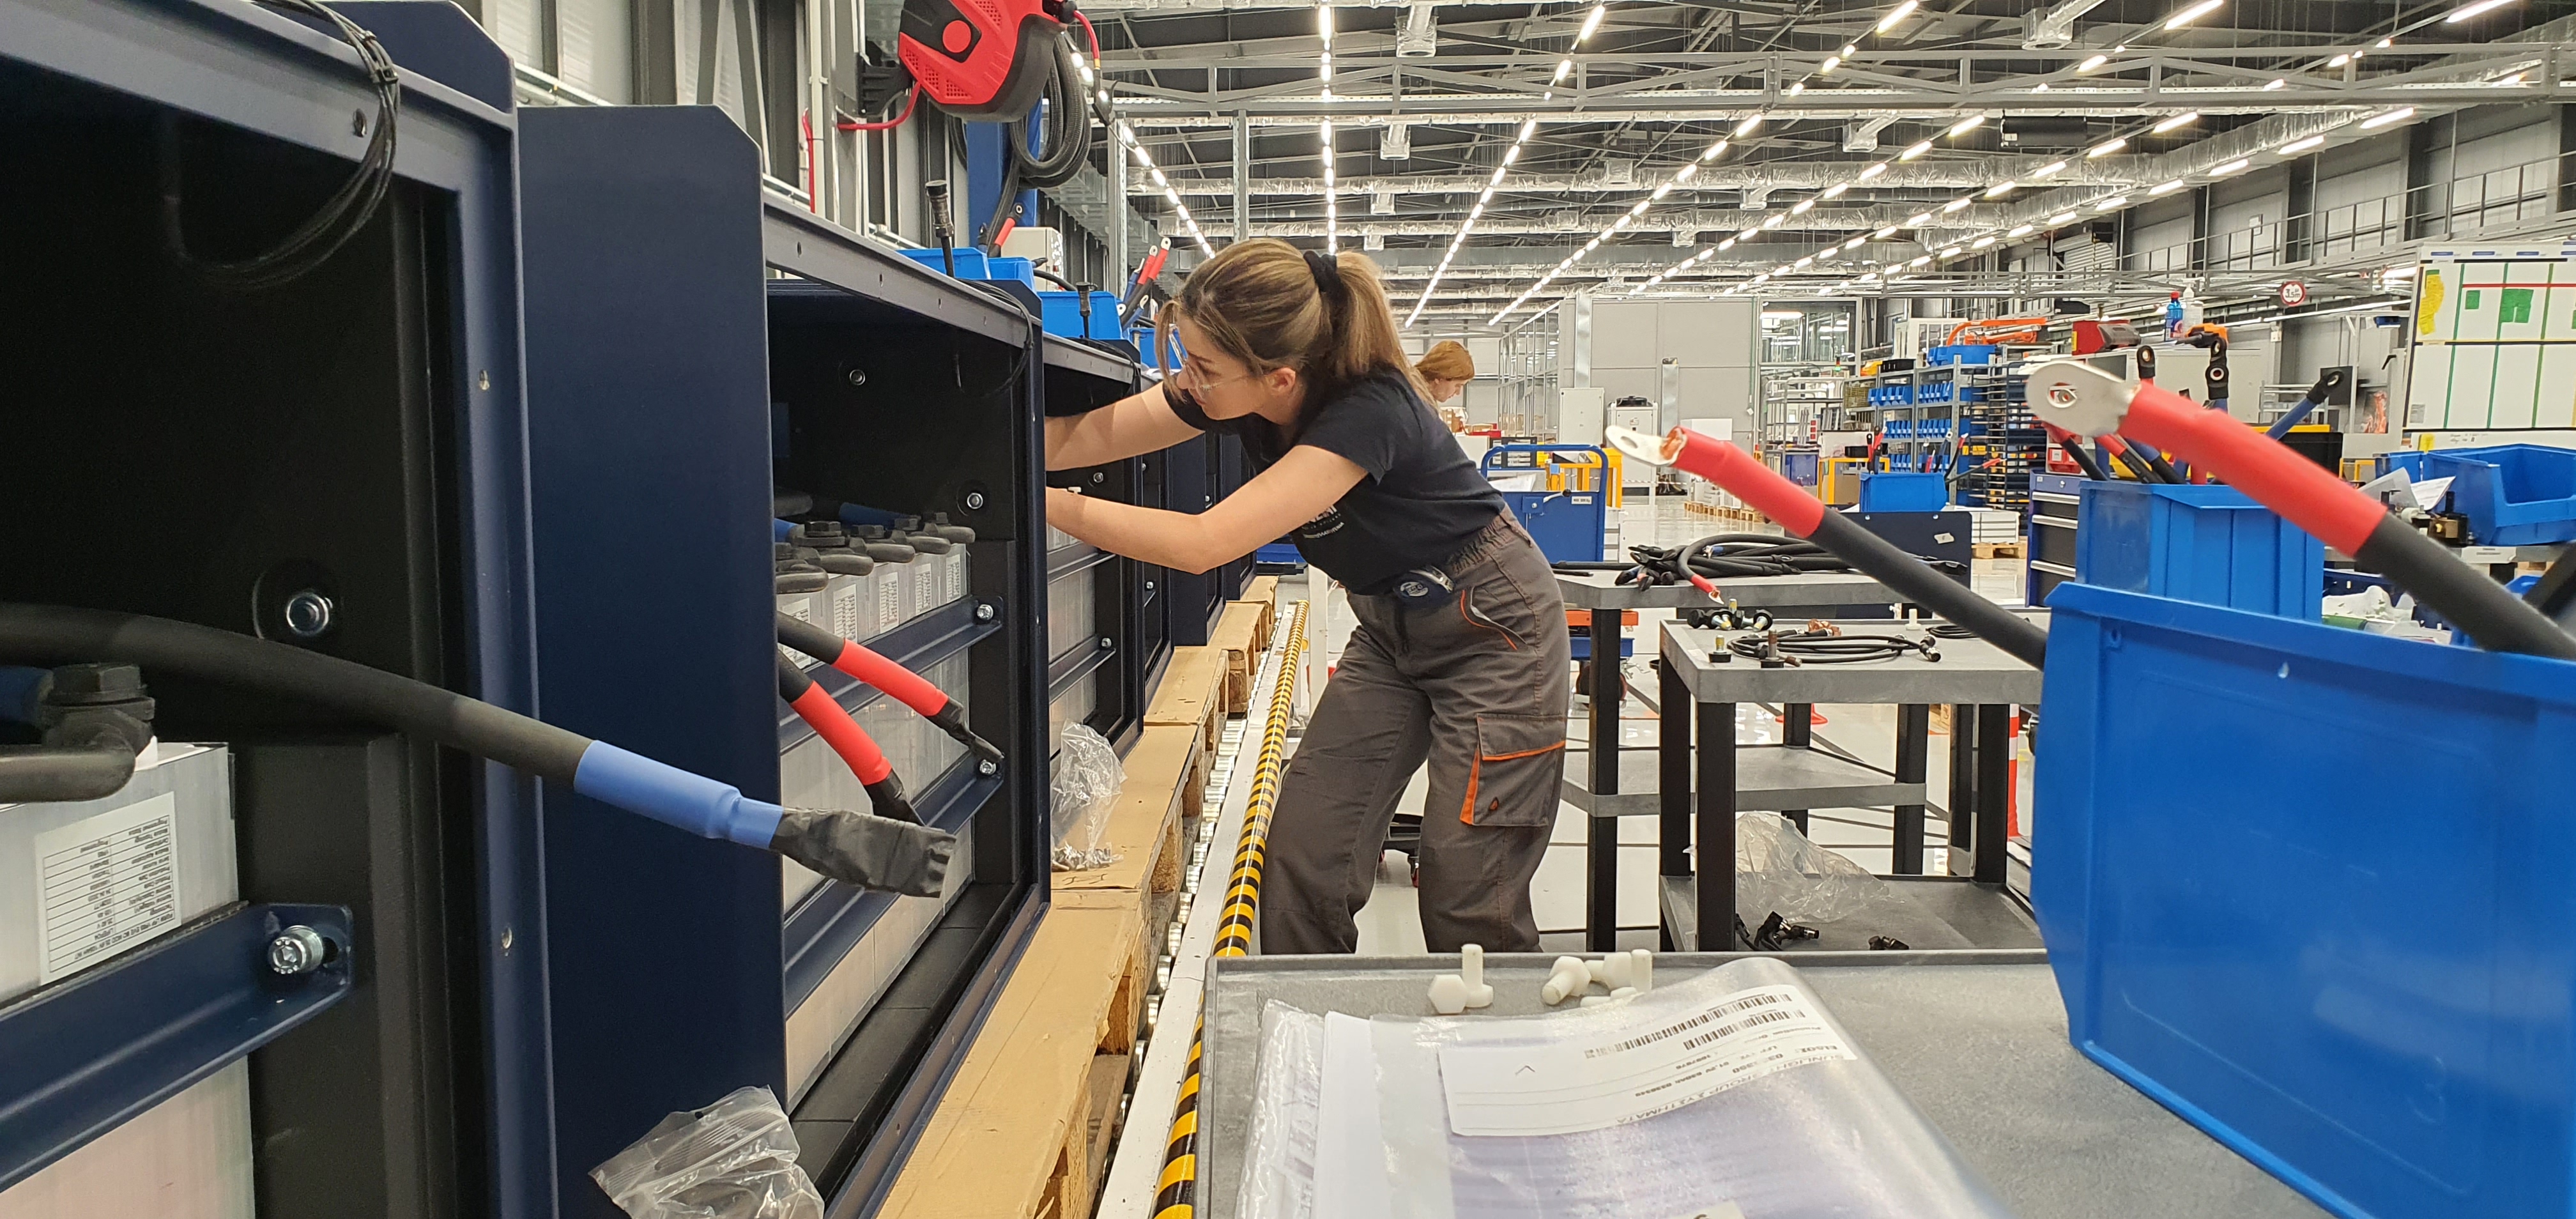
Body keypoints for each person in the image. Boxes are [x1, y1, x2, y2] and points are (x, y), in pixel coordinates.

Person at [1043, 239, 1569, 954]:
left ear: (1281, 379)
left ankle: (1504, 1055)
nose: (1185, 382)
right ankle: (1312, 1042)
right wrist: (999, 450)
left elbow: (1203, 544)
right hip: (1391, 631)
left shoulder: (1366, 411)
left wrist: (1042, 503)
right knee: (1303, 856)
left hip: (1493, 625)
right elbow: (1091, 435)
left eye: (1204, 368)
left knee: (1469, 884)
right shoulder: (1233, 390)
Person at [1416, 339, 1475, 405]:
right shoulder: (1413, 401)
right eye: (1457, 385)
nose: (1458, 393)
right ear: (1440, 377)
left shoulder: (1420, 398)